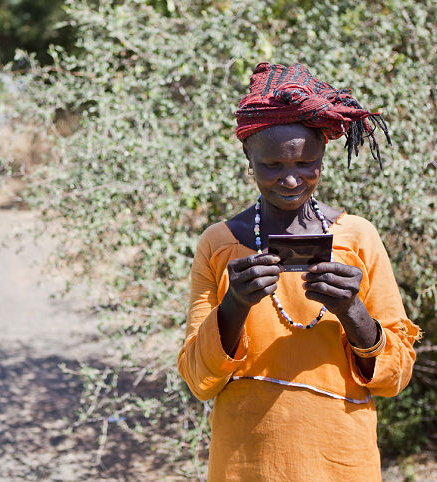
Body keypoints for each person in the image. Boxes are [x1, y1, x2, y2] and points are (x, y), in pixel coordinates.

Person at [177, 62, 420, 480]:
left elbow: (395, 376)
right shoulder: (219, 245)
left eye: (307, 163)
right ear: (248, 158)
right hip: (246, 465)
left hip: (340, 462)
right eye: (273, 165)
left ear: (323, 157)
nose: (291, 180)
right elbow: (199, 381)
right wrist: (234, 304)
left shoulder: (357, 238)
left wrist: (352, 310)